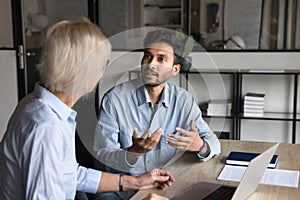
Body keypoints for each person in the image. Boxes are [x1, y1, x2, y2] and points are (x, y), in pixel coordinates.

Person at [0, 19, 175, 200]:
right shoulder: (46, 127)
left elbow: (68, 174)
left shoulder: (38, 105)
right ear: (85, 71)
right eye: (102, 64)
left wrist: (136, 182)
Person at [91, 29, 221, 199]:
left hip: (165, 188)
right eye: (147, 56)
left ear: (175, 69)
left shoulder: (183, 101)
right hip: (121, 191)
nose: (151, 64)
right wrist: (131, 153)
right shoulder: (115, 99)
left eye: (161, 59)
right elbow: (102, 156)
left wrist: (201, 146)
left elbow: (214, 143)